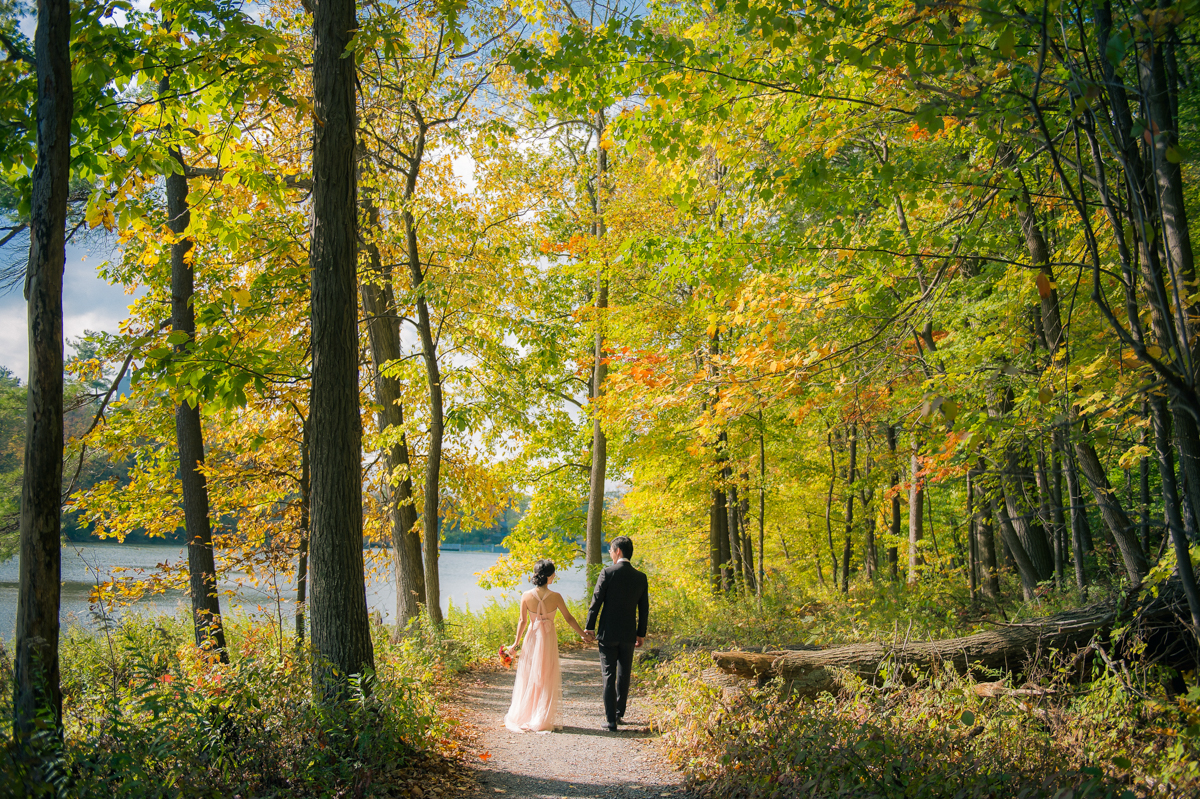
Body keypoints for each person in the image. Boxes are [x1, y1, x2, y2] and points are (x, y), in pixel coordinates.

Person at [503, 559, 588, 733]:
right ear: (550, 576)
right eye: (554, 573)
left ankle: (527, 715)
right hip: (548, 638)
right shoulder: (556, 596)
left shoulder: (526, 595)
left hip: (532, 638)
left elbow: (522, 621)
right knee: (546, 674)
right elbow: (569, 617)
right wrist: (582, 634)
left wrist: (515, 643)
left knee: (529, 674)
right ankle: (541, 717)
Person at [583, 536, 649, 732]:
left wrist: (589, 627)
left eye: (611, 550)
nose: (610, 553)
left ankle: (611, 720)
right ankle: (620, 713)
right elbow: (644, 609)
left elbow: (596, 602)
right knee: (624, 674)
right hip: (628, 633)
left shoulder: (607, 573)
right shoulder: (640, 577)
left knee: (608, 674)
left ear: (618, 551)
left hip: (607, 633)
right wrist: (641, 633)